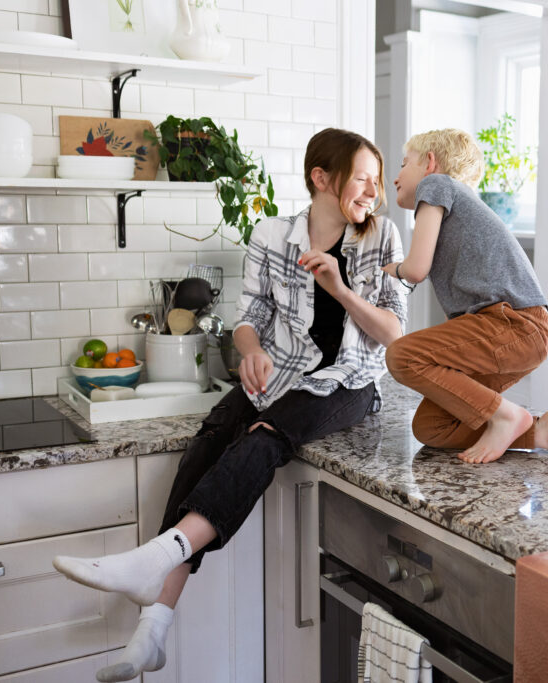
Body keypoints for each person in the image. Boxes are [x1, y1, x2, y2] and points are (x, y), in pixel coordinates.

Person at [52, 128, 407, 682]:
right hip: (281, 375)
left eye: (377, 179)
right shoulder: (271, 234)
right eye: (362, 176)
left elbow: (392, 333)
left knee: (264, 436)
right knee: (209, 441)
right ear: (322, 177)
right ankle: (154, 629)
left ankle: (156, 562)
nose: (373, 190)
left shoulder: (381, 238)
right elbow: (249, 319)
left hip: (347, 384)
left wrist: (340, 288)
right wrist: (249, 352)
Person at [383, 128, 548, 465]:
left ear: (429, 162)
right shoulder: (459, 207)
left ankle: (506, 416)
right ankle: (542, 432)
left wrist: (390, 268)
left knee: (402, 356)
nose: (394, 177)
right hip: (519, 332)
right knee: (432, 427)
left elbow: (415, 270)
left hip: (513, 325)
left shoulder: (436, 184)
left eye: (403, 163)